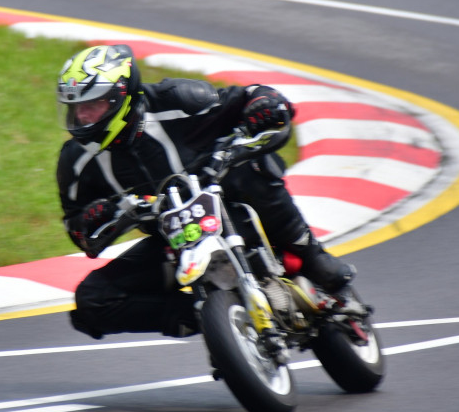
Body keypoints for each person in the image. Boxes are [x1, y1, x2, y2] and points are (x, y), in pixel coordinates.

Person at [55, 43, 356, 340]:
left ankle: (311, 254)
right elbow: (78, 227)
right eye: (76, 109)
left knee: (249, 167)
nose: (82, 117)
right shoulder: (76, 160)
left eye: (90, 106)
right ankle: (204, 316)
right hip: (172, 240)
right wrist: (93, 219)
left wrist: (263, 106)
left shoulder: (179, 99)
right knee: (92, 301)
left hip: (229, 201)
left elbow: (253, 96)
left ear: (121, 95)